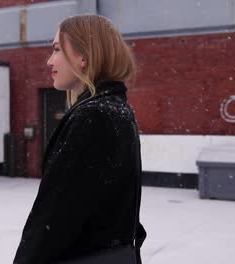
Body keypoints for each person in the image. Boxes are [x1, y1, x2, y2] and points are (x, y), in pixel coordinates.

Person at [13, 14, 146, 264]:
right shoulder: (117, 109)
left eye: (56, 49)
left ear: (83, 57)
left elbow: (54, 217)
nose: (49, 60)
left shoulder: (93, 116)